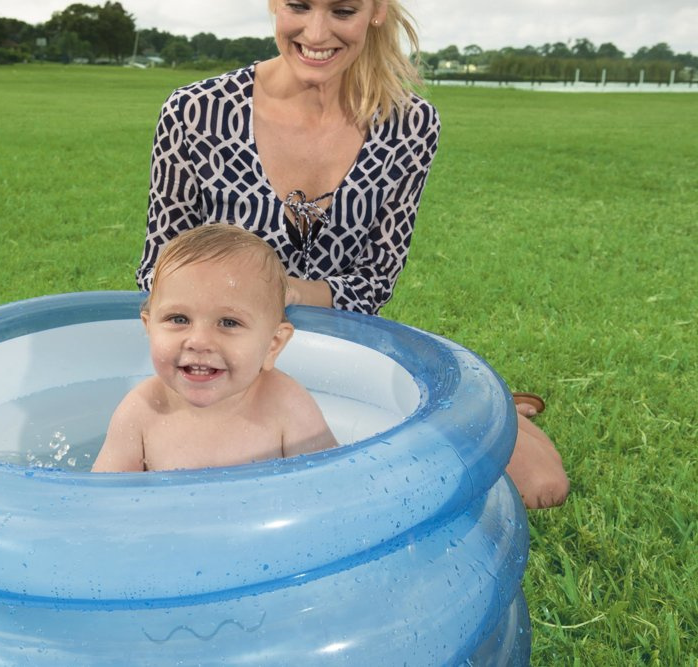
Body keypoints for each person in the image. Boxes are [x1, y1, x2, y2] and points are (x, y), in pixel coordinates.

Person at [135, 0, 569, 507]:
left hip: (340, 343)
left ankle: (480, 403)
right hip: (220, 352)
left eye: (342, 10)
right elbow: (157, 268)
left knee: (543, 485)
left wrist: (287, 293)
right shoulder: (195, 111)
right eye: (299, 6)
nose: (317, 32)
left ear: (376, 11)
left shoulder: (410, 124)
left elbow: (375, 280)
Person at [93, 224, 338, 472]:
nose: (199, 341)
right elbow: (103, 493)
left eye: (229, 323)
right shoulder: (140, 411)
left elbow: (334, 484)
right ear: (150, 327)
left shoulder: (287, 406)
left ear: (273, 345)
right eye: (179, 319)